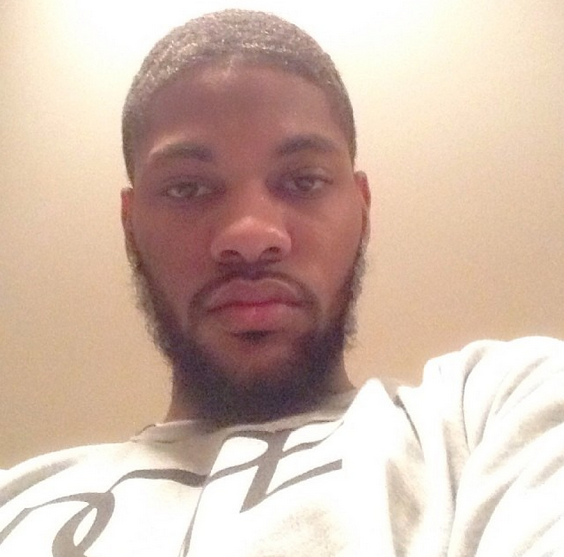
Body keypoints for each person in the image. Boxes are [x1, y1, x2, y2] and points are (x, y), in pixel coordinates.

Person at [0, 9, 562, 556]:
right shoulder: (16, 501)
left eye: (303, 180)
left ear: (362, 209)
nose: (250, 235)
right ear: (131, 226)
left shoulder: (491, 412)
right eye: (188, 188)